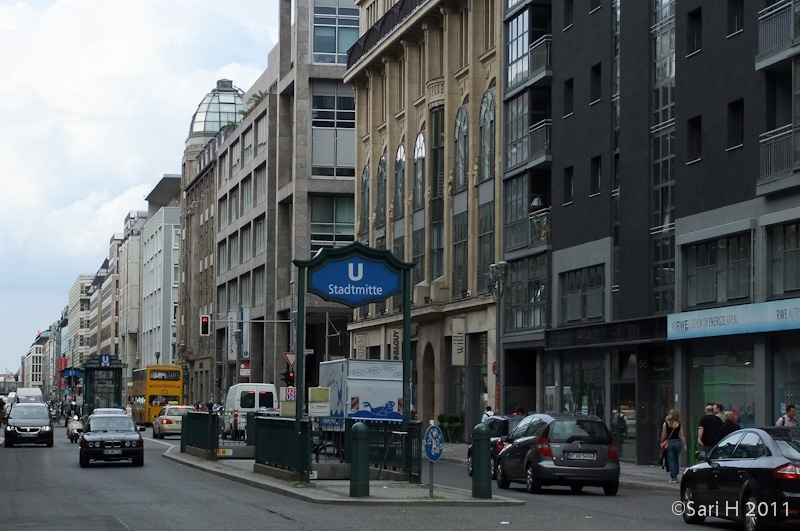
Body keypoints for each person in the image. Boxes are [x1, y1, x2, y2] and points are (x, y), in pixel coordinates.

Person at [661, 409, 687, 483]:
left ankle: (673, 477)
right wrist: (685, 445)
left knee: (671, 460)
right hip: (677, 442)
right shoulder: (679, 423)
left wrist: (662, 442)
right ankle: (676, 473)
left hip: (669, 443)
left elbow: (664, 434)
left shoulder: (666, 423)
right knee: (676, 459)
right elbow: (682, 435)